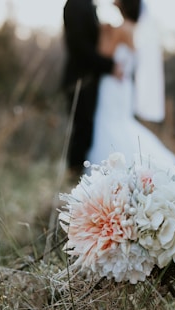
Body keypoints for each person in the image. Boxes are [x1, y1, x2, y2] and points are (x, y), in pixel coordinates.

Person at [87, 0, 175, 168]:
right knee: (120, 123)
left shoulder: (121, 29)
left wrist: (103, 32)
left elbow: (104, 53)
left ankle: (116, 166)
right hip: (124, 87)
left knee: (110, 124)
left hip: (112, 86)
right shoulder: (134, 29)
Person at [61, 0, 123, 178]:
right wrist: (109, 65)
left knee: (87, 128)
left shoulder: (87, 5)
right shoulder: (75, 5)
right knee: (82, 128)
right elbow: (79, 47)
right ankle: (74, 174)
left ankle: (81, 174)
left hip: (91, 80)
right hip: (80, 81)